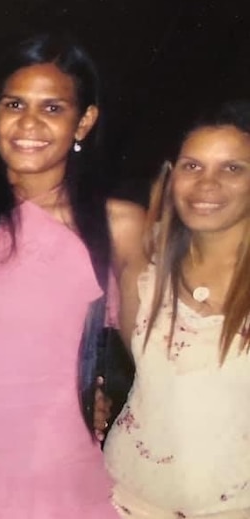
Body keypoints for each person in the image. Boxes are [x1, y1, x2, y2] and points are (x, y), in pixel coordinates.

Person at [0, 34, 146, 517]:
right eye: (14, 104)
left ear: (84, 122)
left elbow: (164, 349)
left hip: (50, 473)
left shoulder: (118, 225)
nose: (29, 123)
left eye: (53, 108)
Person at [104, 100, 250, 518]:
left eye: (232, 168)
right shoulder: (141, 264)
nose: (208, 184)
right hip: (120, 500)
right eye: (193, 166)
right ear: (171, 177)